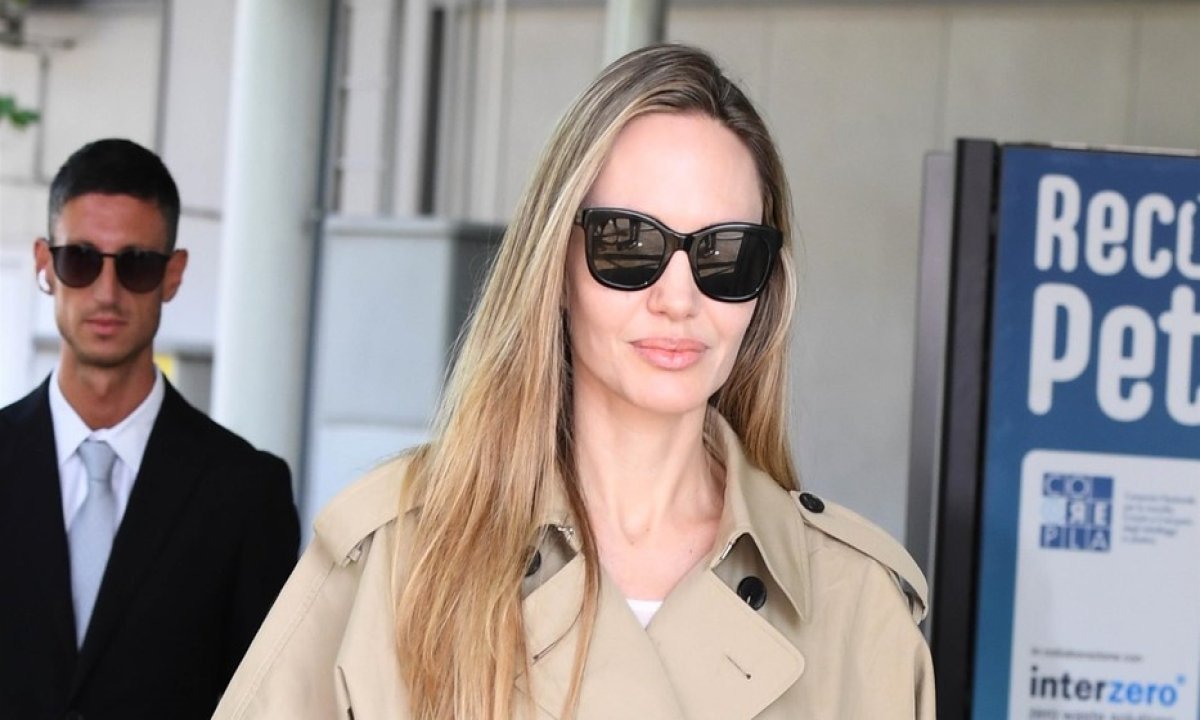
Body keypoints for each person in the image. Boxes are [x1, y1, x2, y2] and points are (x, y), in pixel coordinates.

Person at [214, 44, 933, 719]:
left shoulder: (856, 605)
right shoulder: (400, 562)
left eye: (726, 256)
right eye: (630, 244)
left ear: (764, 287)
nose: (678, 299)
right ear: (555, 265)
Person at [0, 138, 300, 720]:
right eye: (80, 259)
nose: (106, 292)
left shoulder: (245, 492)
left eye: (136, 263)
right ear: (44, 264)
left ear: (173, 274)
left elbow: (267, 704)